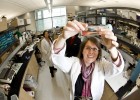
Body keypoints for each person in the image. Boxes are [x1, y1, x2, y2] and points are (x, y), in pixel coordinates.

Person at [51, 20, 124, 100]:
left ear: (98, 52)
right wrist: (62, 37)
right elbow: (58, 59)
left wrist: (112, 49)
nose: (91, 52)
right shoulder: (74, 63)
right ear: (82, 50)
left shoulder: (102, 65)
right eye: (88, 48)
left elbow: (117, 68)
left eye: (94, 49)